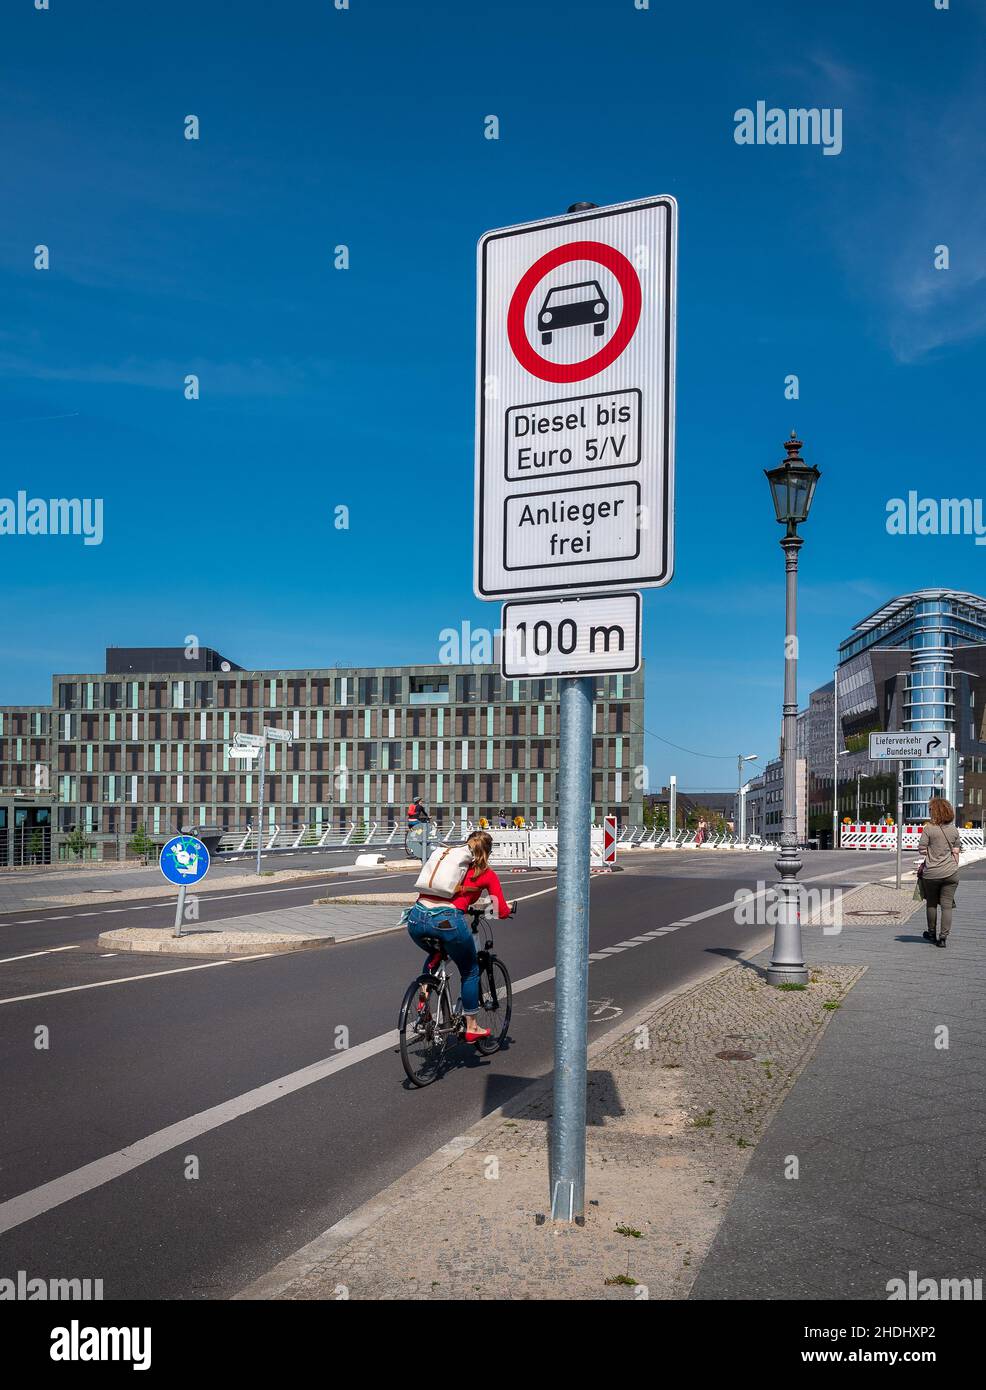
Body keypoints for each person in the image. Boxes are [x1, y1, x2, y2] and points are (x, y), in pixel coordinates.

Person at [405, 830, 512, 1042]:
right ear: (488, 852)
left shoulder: (451, 865)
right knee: (470, 970)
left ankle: (425, 991)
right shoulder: (485, 873)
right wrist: (507, 911)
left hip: (416, 918)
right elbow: (500, 909)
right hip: (446, 921)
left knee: (438, 952)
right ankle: (471, 1025)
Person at [919, 797, 961, 948]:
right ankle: (943, 938)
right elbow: (956, 852)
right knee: (947, 906)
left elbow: (922, 849)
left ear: (935, 812)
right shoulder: (953, 830)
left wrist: (931, 853)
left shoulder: (929, 829)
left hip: (932, 874)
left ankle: (931, 933)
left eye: (931, 810)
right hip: (951, 873)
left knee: (931, 903)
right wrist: (952, 866)